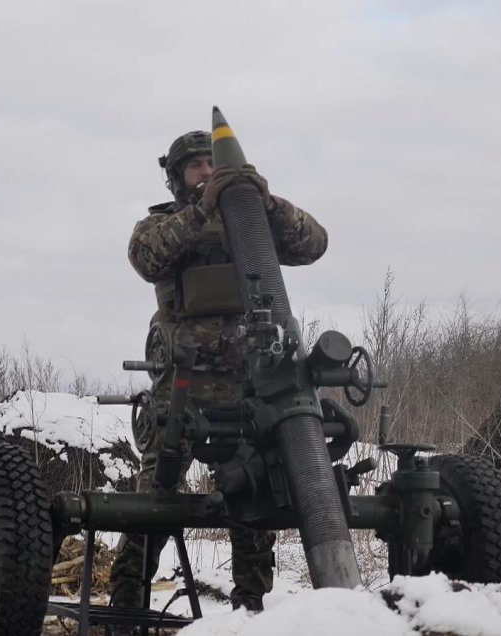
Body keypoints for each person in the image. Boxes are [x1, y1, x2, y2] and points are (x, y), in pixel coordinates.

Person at [109, 130, 329, 614]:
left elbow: (314, 244)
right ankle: (125, 613)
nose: (209, 171)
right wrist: (203, 209)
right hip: (182, 391)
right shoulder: (163, 224)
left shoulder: (251, 225)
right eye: (196, 166)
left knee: (254, 508)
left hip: (251, 388)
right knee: (153, 506)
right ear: (177, 178)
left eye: (213, 162)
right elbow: (148, 259)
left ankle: (248, 614)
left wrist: (269, 204)